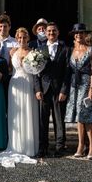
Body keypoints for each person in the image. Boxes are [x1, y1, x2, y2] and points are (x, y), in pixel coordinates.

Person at [0, 28, 39, 167]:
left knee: (28, 113)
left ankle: (29, 146)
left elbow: (36, 72)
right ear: (16, 38)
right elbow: (10, 70)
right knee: (16, 116)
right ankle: (17, 146)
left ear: (28, 38)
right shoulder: (12, 52)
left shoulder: (33, 52)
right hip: (15, 84)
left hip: (28, 84)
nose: (22, 40)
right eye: (19, 38)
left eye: (24, 37)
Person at [61, 23, 92, 160]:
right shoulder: (70, 50)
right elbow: (68, 71)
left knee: (87, 116)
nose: (79, 35)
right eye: (76, 33)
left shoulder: (91, 50)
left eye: (81, 33)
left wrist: (91, 89)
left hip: (86, 84)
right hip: (74, 86)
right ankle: (80, 145)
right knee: (79, 117)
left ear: (85, 35)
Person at [34, 22, 68, 157]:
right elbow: (35, 72)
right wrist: (37, 89)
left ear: (58, 32)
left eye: (54, 31)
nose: (51, 33)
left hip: (59, 90)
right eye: (49, 31)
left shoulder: (65, 49)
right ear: (45, 33)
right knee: (43, 121)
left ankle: (60, 147)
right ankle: (43, 147)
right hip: (44, 90)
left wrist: (64, 90)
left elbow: (67, 72)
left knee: (59, 120)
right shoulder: (40, 49)